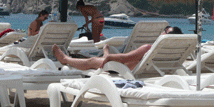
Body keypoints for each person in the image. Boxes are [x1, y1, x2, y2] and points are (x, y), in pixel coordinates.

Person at [53, 26, 183, 71]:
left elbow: (123, 58)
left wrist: (108, 57)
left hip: (124, 70)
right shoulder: (174, 52)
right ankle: (105, 53)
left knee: (92, 61)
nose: (162, 31)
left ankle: (65, 59)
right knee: (104, 58)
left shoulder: (148, 48)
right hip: (151, 72)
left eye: (165, 31)